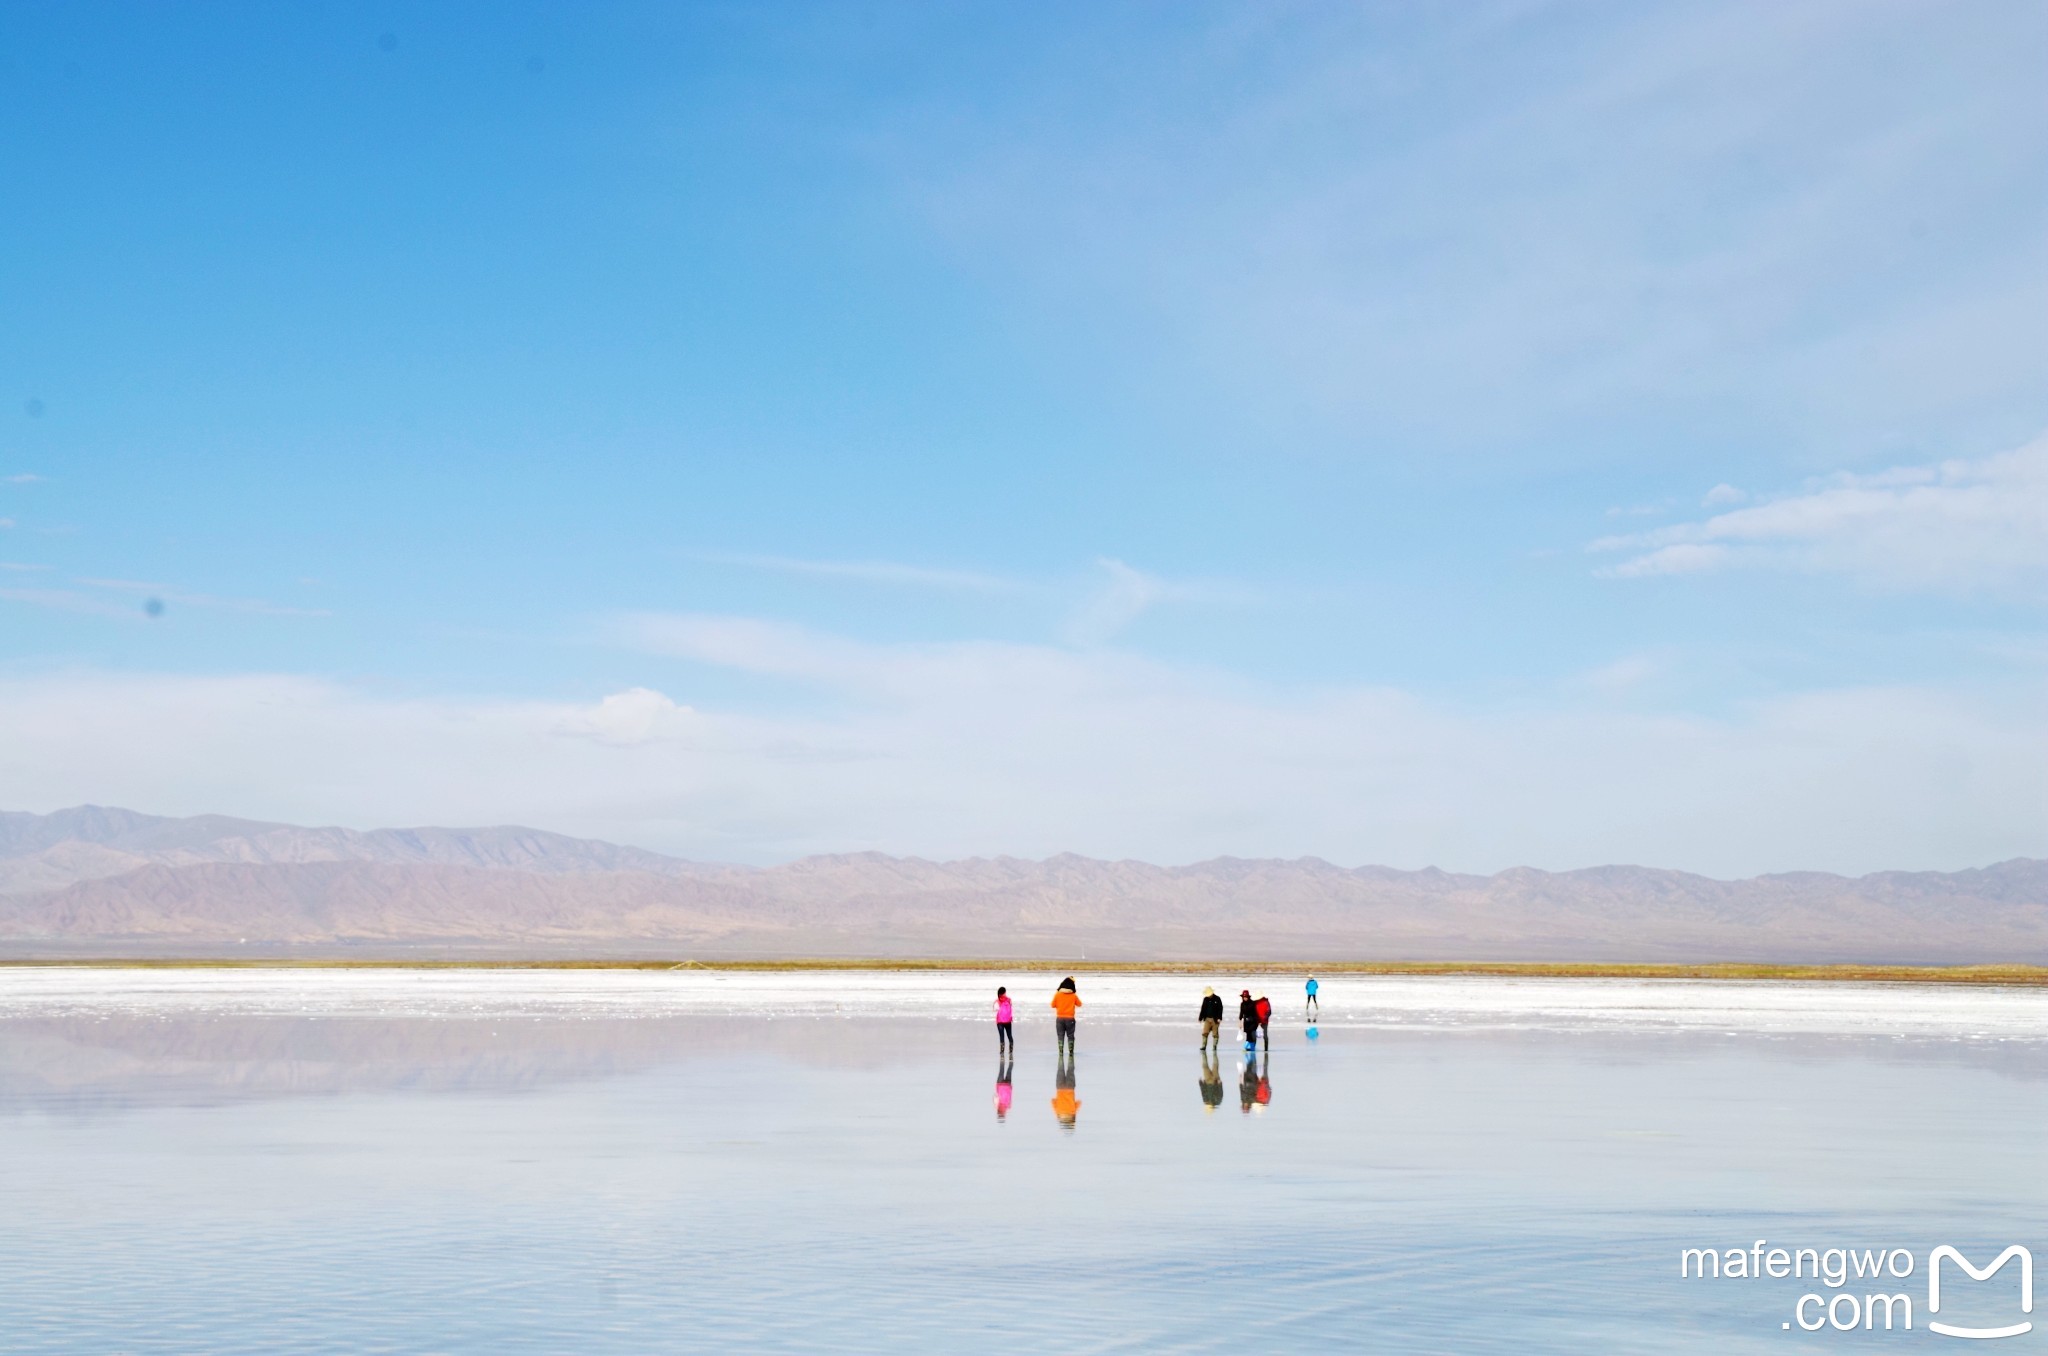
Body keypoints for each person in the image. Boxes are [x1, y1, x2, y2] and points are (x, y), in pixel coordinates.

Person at [1050, 977, 1081, 1054]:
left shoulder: (1058, 994)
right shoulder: (1073, 995)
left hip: (1060, 1018)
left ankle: (1061, 1051)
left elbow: (1052, 1005)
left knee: (1060, 1035)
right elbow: (1079, 1004)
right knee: (1070, 1035)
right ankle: (1071, 1051)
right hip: (1070, 1018)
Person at [1051, 1047, 1080, 1131]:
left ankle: (1070, 1058)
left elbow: (1079, 1102)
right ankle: (1062, 1058)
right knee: (1060, 1069)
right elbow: (1053, 1101)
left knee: (1070, 1070)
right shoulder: (1058, 1112)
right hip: (1060, 1088)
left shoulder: (1073, 1111)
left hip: (1070, 1088)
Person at [1198, 986, 1223, 1052]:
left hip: (1215, 1020)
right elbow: (1203, 1009)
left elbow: (1220, 1009)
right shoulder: (1205, 999)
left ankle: (1214, 1046)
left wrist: (1219, 1018)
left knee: (1215, 1034)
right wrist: (1200, 1018)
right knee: (1205, 1033)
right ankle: (1203, 1046)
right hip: (1207, 1019)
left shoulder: (1217, 999)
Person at [994, 985, 1014, 1053]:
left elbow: (995, 1009)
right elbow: (1011, 1008)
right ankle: (1011, 1051)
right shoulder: (1009, 1000)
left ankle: (1002, 1052)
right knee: (1009, 1035)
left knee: (1002, 1037)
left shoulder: (997, 1001)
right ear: (1005, 992)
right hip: (1008, 1021)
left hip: (1000, 1022)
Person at [994, 1053, 1013, 1122]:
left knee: (1009, 1070)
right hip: (1000, 1084)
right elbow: (995, 1096)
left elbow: (1010, 1096)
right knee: (1001, 1069)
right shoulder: (997, 1105)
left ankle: (1011, 1059)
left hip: (1008, 1085)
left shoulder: (1008, 1106)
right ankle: (1002, 1057)